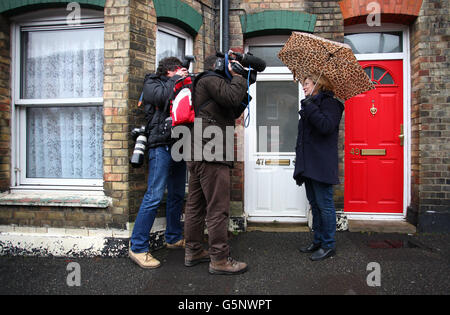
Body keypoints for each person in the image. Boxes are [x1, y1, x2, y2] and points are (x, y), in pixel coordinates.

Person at [183, 55, 249, 275]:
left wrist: (245, 82)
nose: (231, 69)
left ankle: (193, 251)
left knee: (195, 206)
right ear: (219, 66)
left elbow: (231, 109)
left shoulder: (206, 85)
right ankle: (219, 259)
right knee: (218, 208)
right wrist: (239, 76)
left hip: (199, 152)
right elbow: (231, 97)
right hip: (211, 154)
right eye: (229, 66)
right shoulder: (210, 79)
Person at [129, 57, 189, 269]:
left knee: (176, 195)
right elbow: (162, 98)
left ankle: (173, 237)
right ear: (169, 71)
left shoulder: (179, 83)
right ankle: (137, 247)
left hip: (179, 145)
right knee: (154, 196)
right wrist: (178, 81)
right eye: (178, 71)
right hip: (160, 145)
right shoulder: (152, 83)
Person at [294, 73, 344, 261]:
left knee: (325, 206)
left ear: (318, 84)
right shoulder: (310, 104)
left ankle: (328, 245)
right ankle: (318, 240)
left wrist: (310, 107)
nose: (304, 87)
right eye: (304, 84)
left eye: (306, 84)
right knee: (315, 205)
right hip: (308, 164)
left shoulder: (332, 104)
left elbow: (326, 126)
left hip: (321, 164)